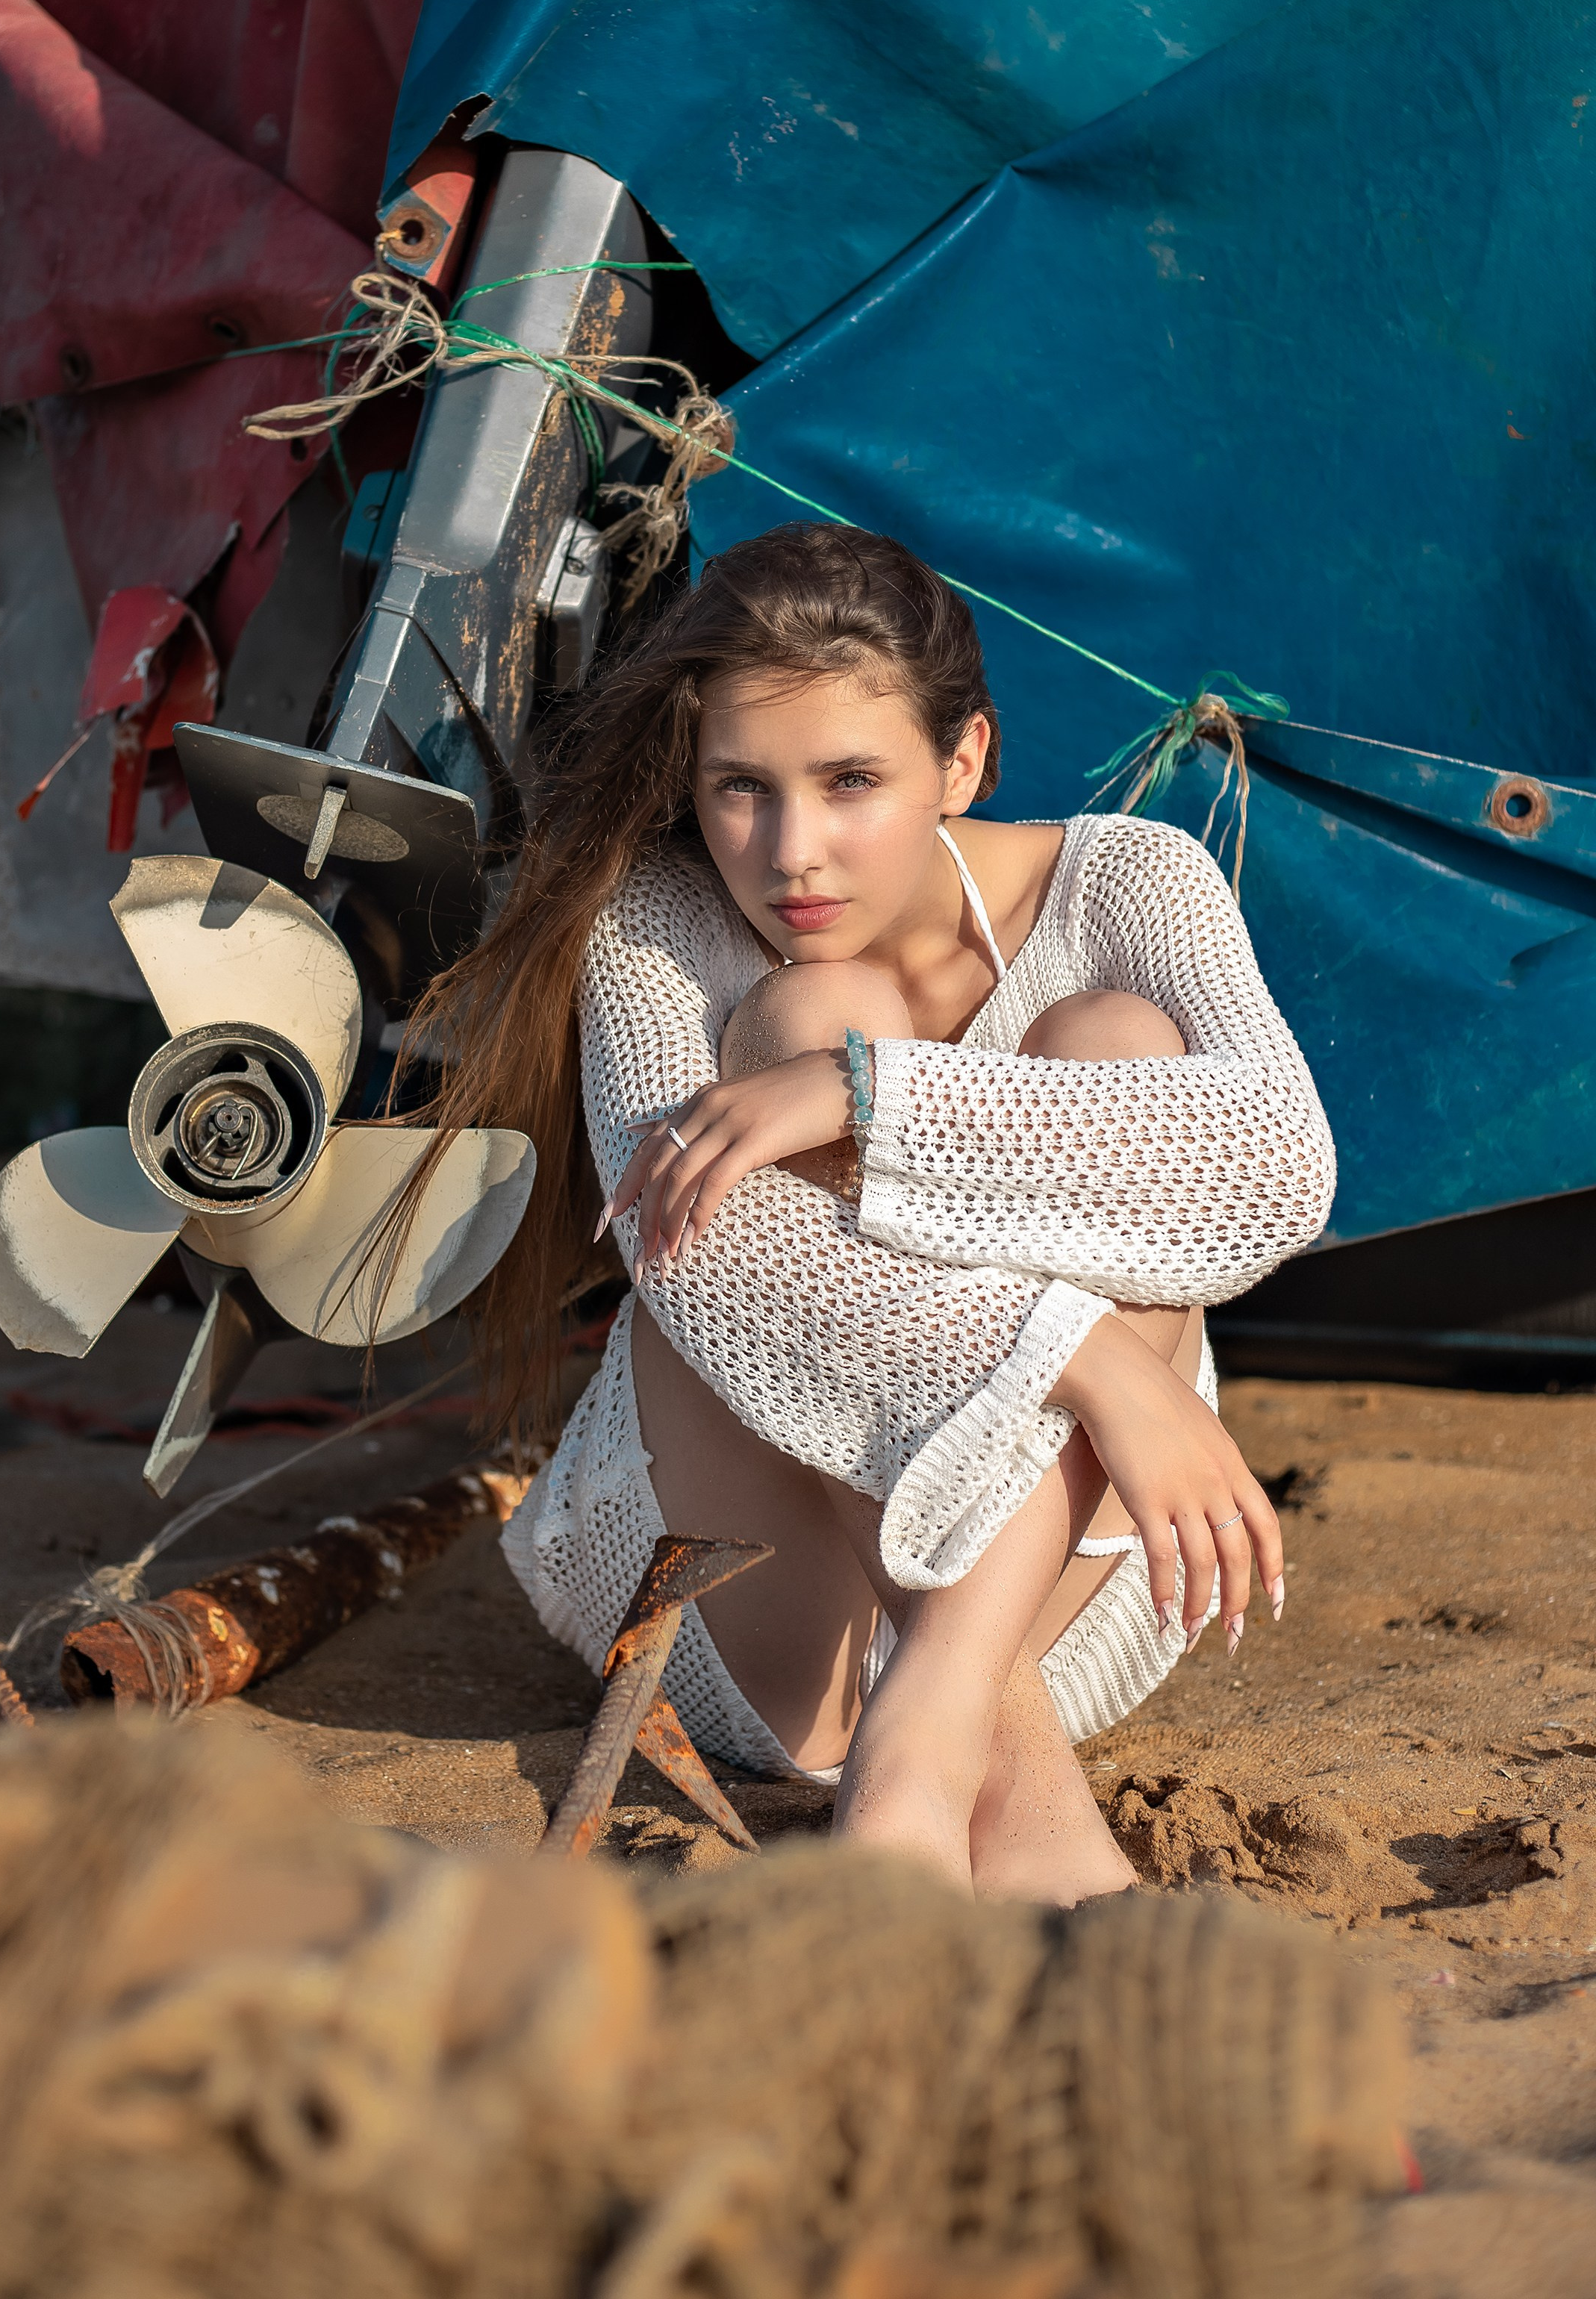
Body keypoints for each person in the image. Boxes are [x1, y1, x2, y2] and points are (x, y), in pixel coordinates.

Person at [408, 525, 1333, 1895]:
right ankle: (955, 1750)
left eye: (852, 781)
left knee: (1119, 1039)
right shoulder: (655, 926)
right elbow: (711, 1267)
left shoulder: (1134, 882)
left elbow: (1274, 1169)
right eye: (741, 788)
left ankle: (944, 1717)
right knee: (805, 1009)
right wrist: (1094, 1368)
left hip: (1072, 1596)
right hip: (757, 1615)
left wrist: (866, 1100)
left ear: (963, 760)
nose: (793, 852)